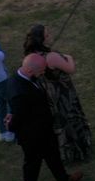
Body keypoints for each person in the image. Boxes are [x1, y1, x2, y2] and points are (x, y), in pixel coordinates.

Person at [8, 53, 81, 181]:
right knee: (33, 161)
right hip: (32, 135)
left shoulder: (27, 75)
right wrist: (10, 123)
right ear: (29, 71)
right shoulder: (19, 91)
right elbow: (18, 117)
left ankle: (63, 179)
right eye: (41, 71)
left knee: (52, 153)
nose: (43, 73)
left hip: (44, 128)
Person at [22, 25, 90, 164]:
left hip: (47, 94)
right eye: (47, 35)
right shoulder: (50, 57)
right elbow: (70, 68)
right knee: (71, 119)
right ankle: (79, 149)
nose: (50, 35)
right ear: (42, 39)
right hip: (62, 93)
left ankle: (64, 152)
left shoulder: (31, 56)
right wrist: (68, 57)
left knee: (58, 123)